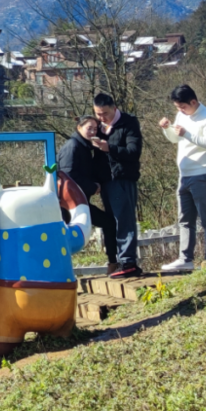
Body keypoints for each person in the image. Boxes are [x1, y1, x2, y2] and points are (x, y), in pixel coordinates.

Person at [158, 84, 206, 271]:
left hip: (203, 174)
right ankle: (185, 259)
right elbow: (175, 139)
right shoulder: (181, 116)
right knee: (185, 220)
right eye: (177, 108)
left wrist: (187, 134)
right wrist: (167, 129)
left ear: (193, 102)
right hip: (184, 175)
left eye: (183, 107)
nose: (180, 111)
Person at [91, 92, 144, 279]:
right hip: (106, 181)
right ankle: (121, 261)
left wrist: (109, 148)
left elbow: (134, 151)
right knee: (113, 221)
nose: (101, 118)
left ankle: (129, 262)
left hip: (122, 178)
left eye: (105, 113)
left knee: (124, 220)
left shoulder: (129, 123)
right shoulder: (97, 126)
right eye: (97, 114)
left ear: (114, 108)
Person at [58, 116, 119, 273]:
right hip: (69, 205)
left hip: (79, 202)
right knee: (108, 223)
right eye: (89, 128)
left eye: (95, 129)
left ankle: (113, 262)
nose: (93, 132)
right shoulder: (73, 146)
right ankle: (112, 263)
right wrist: (92, 186)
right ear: (79, 128)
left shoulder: (85, 147)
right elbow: (68, 176)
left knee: (108, 223)